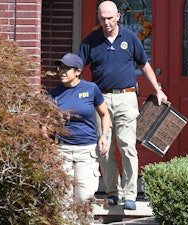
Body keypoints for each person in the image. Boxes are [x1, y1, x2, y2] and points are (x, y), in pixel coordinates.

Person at [77, 1, 168, 210]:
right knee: (105, 149)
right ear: (98, 18)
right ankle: (112, 192)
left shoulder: (130, 38)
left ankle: (130, 194)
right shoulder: (90, 41)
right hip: (100, 102)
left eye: (110, 18)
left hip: (126, 99)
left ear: (118, 16)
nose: (106, 22)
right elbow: (77, 67)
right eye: (102, 18)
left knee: (127, 146)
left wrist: (158, 90)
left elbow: (144, 65)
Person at [49, 53, 110, 223]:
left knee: (84, 198)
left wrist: (104, 136)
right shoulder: (54, 94)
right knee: (63, 200)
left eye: (66, 68)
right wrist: (48, 147)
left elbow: (105, 114)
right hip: (62, 151)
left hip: (87, 151)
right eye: (60, 67)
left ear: (77, 71)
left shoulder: (90, 89)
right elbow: (45, 124)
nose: (61, 71)